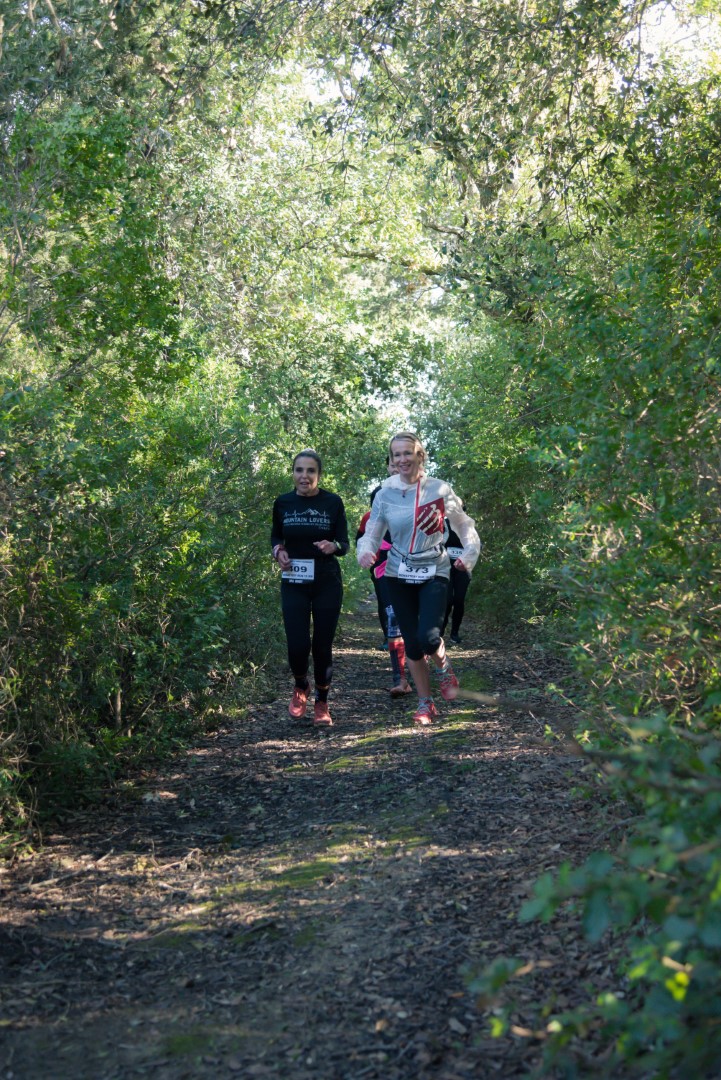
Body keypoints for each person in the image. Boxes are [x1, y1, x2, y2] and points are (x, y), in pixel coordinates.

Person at [357, 432, 480, 725]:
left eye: (407, 453)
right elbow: (372, 531)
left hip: (434, 568)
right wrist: (366, 551)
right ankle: (426, 703)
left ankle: (444, 668)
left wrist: (469, 554)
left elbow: (464, 526)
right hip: (397, 572)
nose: (402, 459)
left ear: (420, 456)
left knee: (429, 636)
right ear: (392, 459)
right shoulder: (385, 494)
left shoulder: (439, 489)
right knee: (411, 644)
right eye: (396, 455)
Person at [271, 450, 349, 727]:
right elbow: (276, 536)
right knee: (297, 643)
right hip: (294, 580)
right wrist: (278, 551)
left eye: (310, 471)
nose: (304, 476)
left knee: (322, 645)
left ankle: (322, 702)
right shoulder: (283, 502)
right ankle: (301, 684)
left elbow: (344, 543)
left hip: (327, 580)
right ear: (293, 473)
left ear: (319, 474)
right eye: (299, 470)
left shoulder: (332, 502)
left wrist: (333, 546)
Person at [442, 520, 473, 645]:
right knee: (448, 600)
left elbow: (476, 544)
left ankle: (455, 633)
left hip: (463, 568)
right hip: (445, 566)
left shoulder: (468, 525)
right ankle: (440, 630)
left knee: (459, 600)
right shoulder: (443, 523)